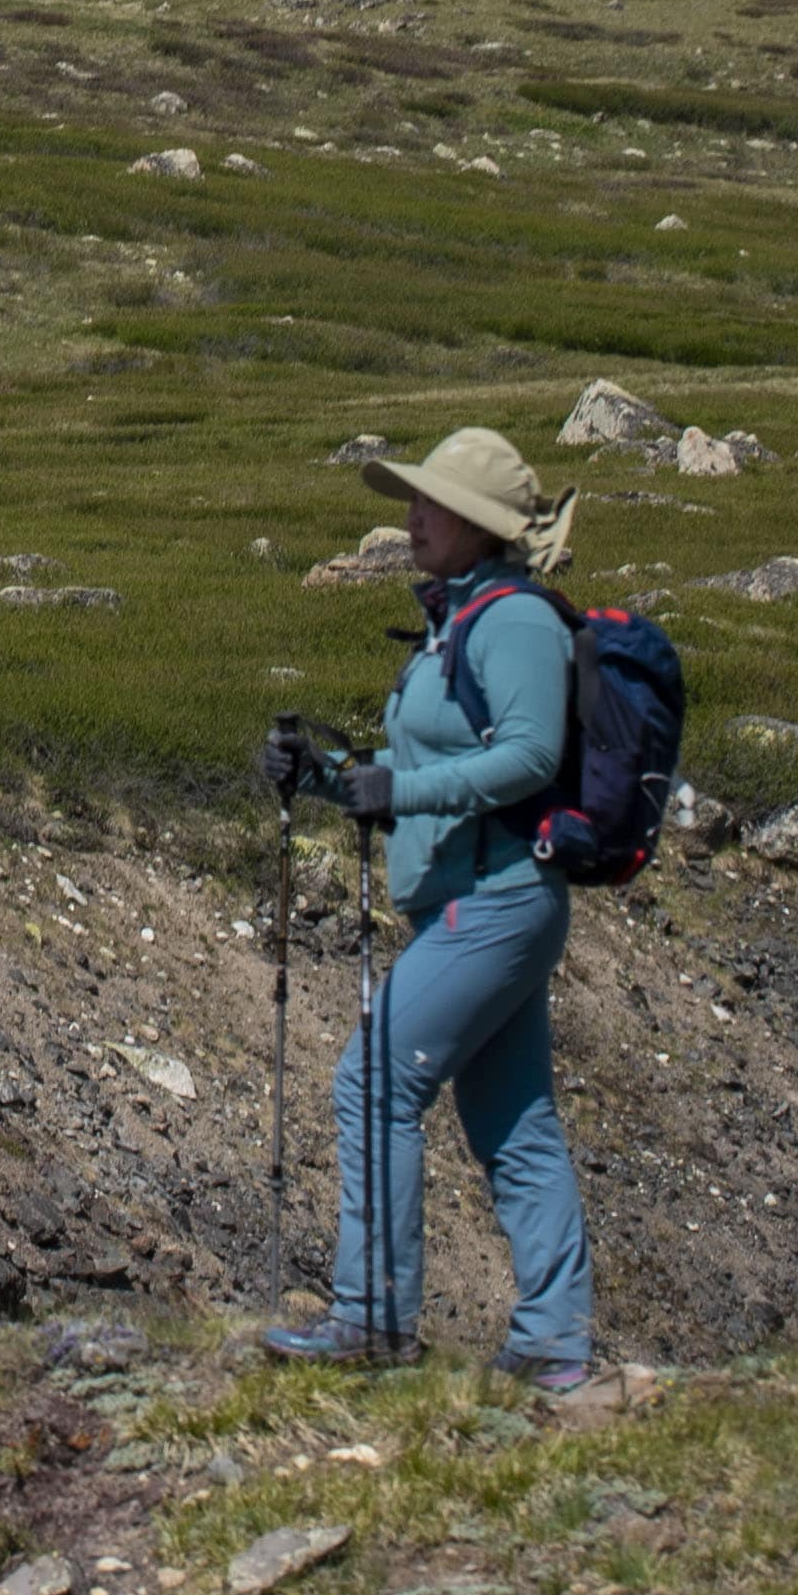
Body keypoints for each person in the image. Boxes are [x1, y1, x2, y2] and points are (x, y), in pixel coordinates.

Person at [263, 421, 599, 1395]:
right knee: (514, 1121)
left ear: (477, 524)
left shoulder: (515, 621)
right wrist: (325, 779)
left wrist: (396, 794)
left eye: (428, 504)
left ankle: (372, 1318)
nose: (409, 518)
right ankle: (551, 1343)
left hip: (497, 900)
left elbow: (531, 755)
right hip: (482, 899)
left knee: (372, 1081)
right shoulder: (458, 619)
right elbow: (419, 771)